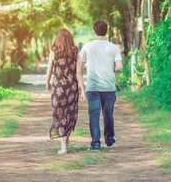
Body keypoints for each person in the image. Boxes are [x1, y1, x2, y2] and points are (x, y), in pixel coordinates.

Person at [79, 21, 122, 151]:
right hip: (109, 87)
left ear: (94, 31)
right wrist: (110, 69)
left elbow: (80, 69)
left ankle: (96, 144)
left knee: (94, 115)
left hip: (92, 87)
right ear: (106, 31)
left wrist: (82, 88)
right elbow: (119, 66)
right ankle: (109, 141)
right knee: (108, 114)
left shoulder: (87, 47)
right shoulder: (113, 47)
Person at [46, 28, 85, 155]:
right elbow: (79, 73)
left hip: (58, 90)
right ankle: (65, 141)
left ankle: (64, 147)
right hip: (72, 89)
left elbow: (49, 71)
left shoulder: (53, 52)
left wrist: (47, 82)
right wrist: (83, 91)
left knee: (60, 116)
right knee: (70, 116)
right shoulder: (75, 53)